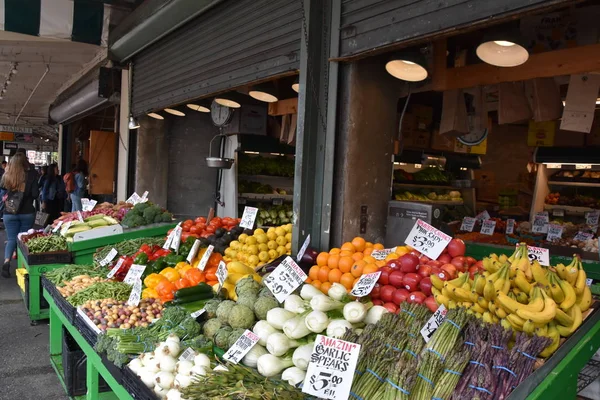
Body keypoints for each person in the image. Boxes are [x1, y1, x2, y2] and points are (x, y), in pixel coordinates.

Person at [1, 152, 38, 277]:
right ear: (25, 163)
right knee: (23, 239)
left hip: (9, 212)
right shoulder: (31, 175)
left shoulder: (7, 175)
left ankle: (6, 262)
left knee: (11, 239)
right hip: (27, 212)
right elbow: (35, 194)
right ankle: (23, 268)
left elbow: (2, 188)